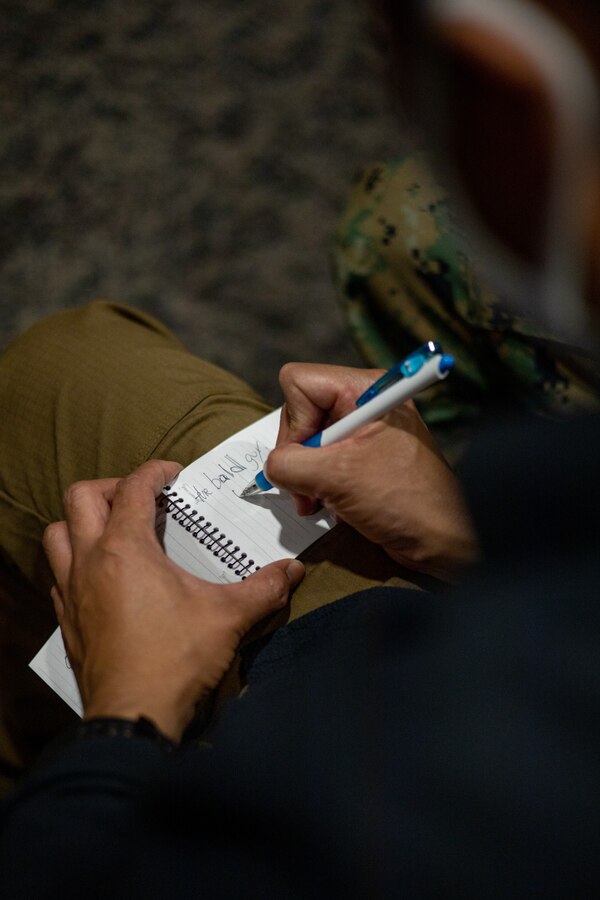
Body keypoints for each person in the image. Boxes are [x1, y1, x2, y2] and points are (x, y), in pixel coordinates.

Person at [1, 0, 600, 896]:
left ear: (499, 92)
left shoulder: (447, 793)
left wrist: (128, 716)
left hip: (326, 727)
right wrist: (467, 535)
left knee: (57, 379)